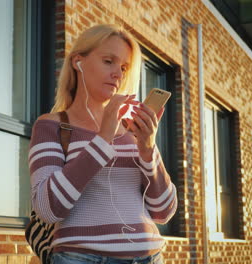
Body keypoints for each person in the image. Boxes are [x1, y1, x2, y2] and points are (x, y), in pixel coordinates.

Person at [28, 24, 177, 264]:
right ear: (78, 62)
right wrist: (103, 137)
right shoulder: (51, 126)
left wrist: (148, 149)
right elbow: (48, 208)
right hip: (80, 258)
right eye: (109, 61)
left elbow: (164, 212)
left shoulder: (132, 130)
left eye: (124, 67)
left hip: (150, 256)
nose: (118, 73)